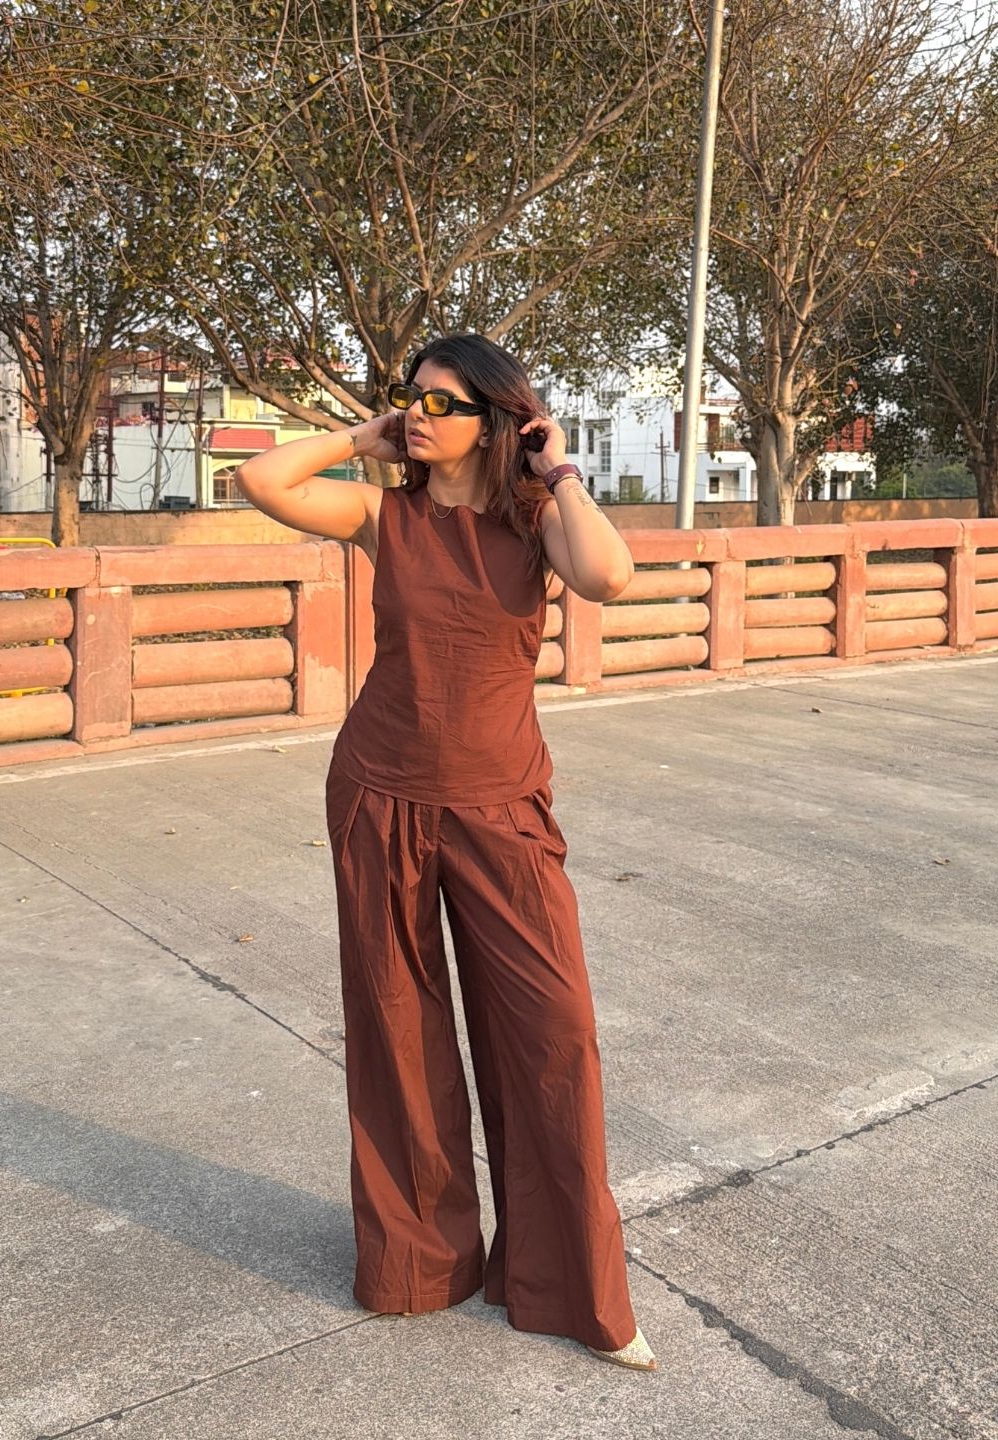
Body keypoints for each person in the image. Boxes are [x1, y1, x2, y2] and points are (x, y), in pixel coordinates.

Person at [235, 333, 656, 1371]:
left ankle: (566, 1284)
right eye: (410, 397)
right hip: (379, 792)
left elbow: (610, 576)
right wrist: (363, 436)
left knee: (553, 1035)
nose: (418, 414)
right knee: (397, 1026)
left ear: (495, 418)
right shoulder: (386, 515)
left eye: (441, 402)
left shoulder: (535, 519)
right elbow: (261, 481)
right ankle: (419, 1263)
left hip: (501, 804)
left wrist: (558, 467)